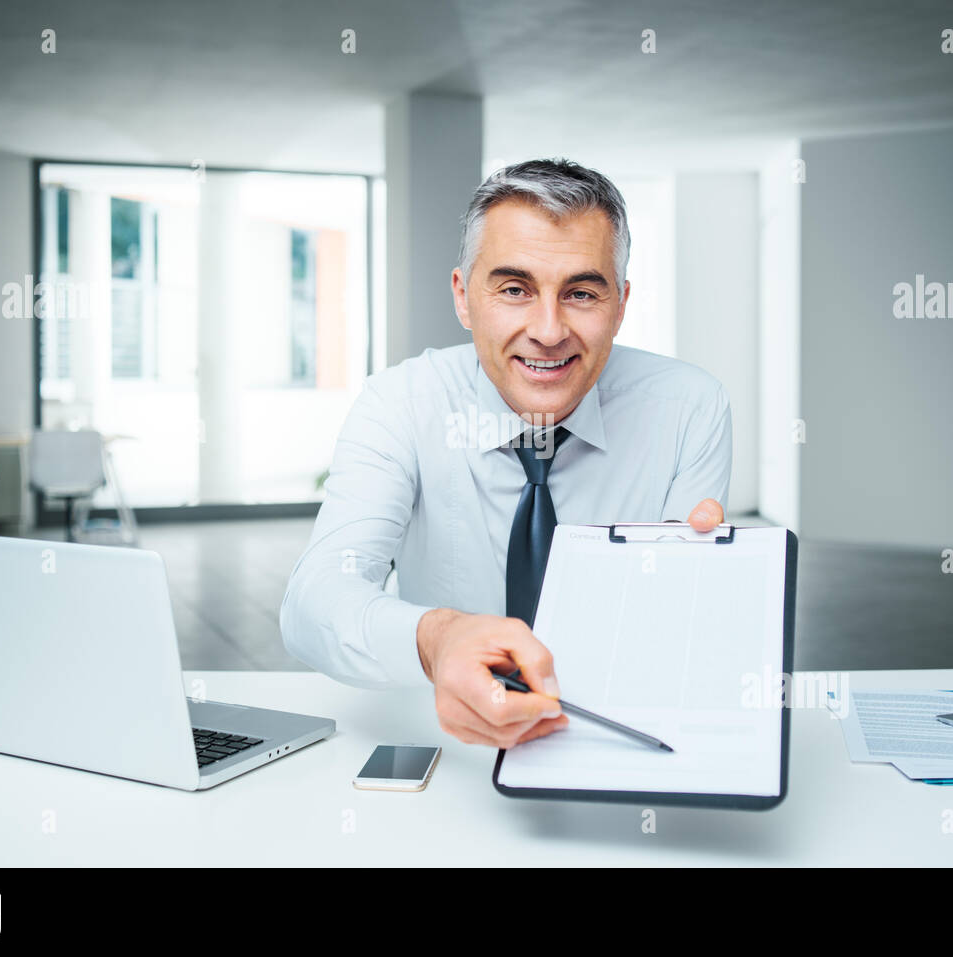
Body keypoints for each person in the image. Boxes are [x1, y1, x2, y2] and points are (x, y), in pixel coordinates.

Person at [281, 158, 731, 749]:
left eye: (582, 293)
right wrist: (437, 638)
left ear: (620, 305)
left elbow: (675, 630)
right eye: (515, 289)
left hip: (618, 734)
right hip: (448, 740)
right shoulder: (402, 404)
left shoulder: (688, 408)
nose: (548, 330)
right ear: (465, 297)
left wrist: (709, 585)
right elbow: (315, 602)